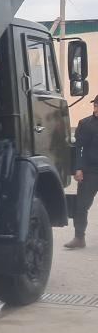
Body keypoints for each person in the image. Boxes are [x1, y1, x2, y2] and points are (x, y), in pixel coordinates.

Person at [65, 95, 98, 249]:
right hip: (90, 171)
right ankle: (79, 238)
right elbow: (79, 148)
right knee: (81, 205)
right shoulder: (85, 124)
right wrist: (78, 168)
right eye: (95, 105)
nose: (96, 108)